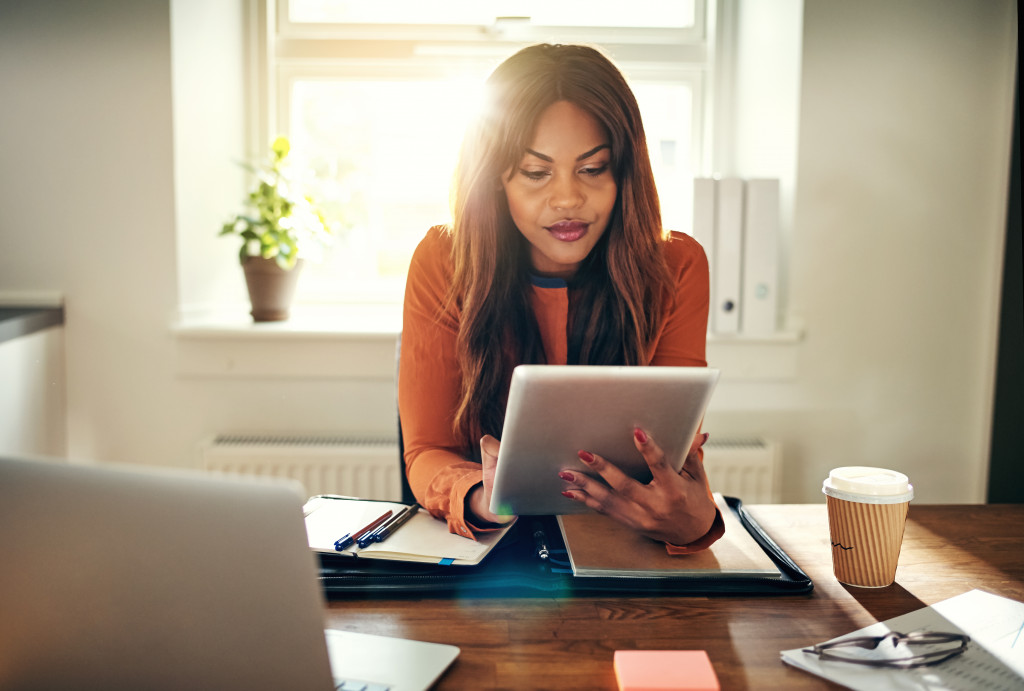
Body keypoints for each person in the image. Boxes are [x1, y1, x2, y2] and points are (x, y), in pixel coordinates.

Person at [398, 43, 724, 554]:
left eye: (593, 169)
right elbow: (426, 452)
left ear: (625, 174)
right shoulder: (444, 260)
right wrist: (484, 495)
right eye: (535, 172)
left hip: (624, 550)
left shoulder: (677, 266)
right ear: (496, 177)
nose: (568, 198)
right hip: (489, 557)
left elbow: (675, 459)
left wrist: (691, 521)